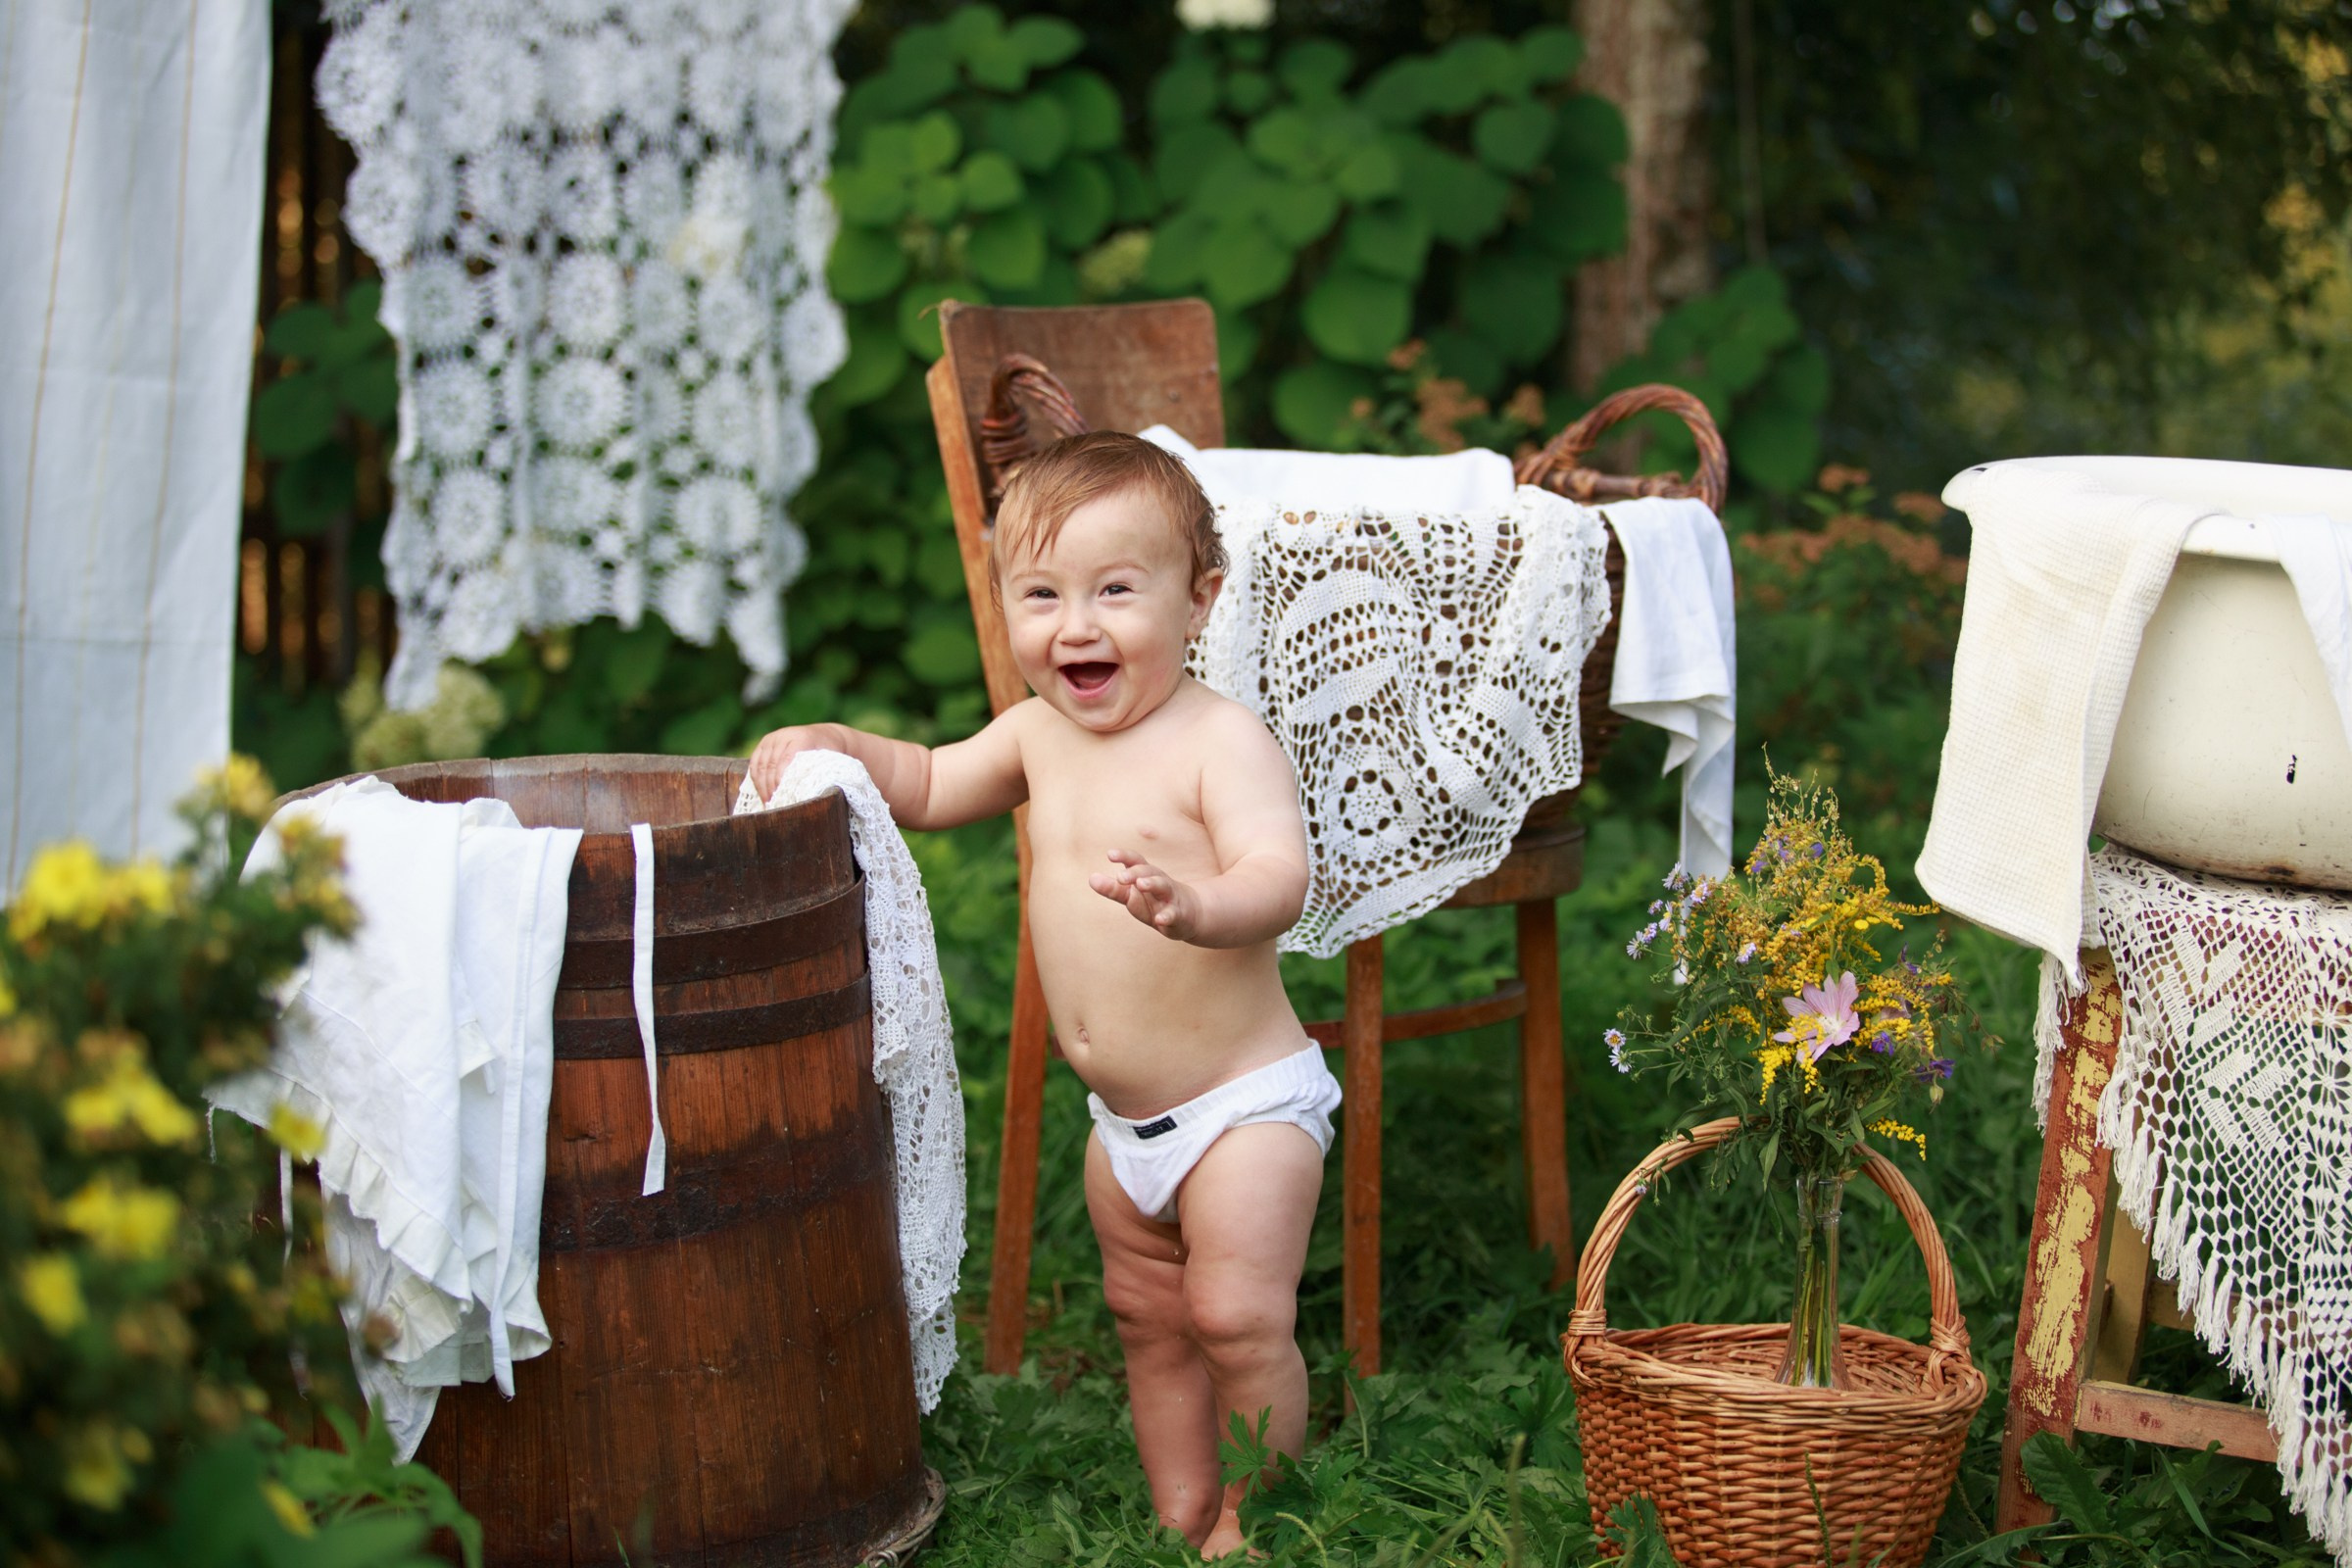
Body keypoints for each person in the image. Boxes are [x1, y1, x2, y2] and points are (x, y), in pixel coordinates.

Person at [748, 430, 1335, 1559]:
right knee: (1151, 1319)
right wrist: (839, 744)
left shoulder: (1220, 738)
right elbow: (924, 778)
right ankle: (1180, 1507)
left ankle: (1258, 1515)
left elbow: (1278, 876)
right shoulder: (1034, 733)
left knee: (1236, 1317)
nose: (1078, 624)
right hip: (1124, 1126)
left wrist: (1192, 905)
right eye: (1043, 593)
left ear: (1199, 598)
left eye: (1118, 590)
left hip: (1241, 1106)